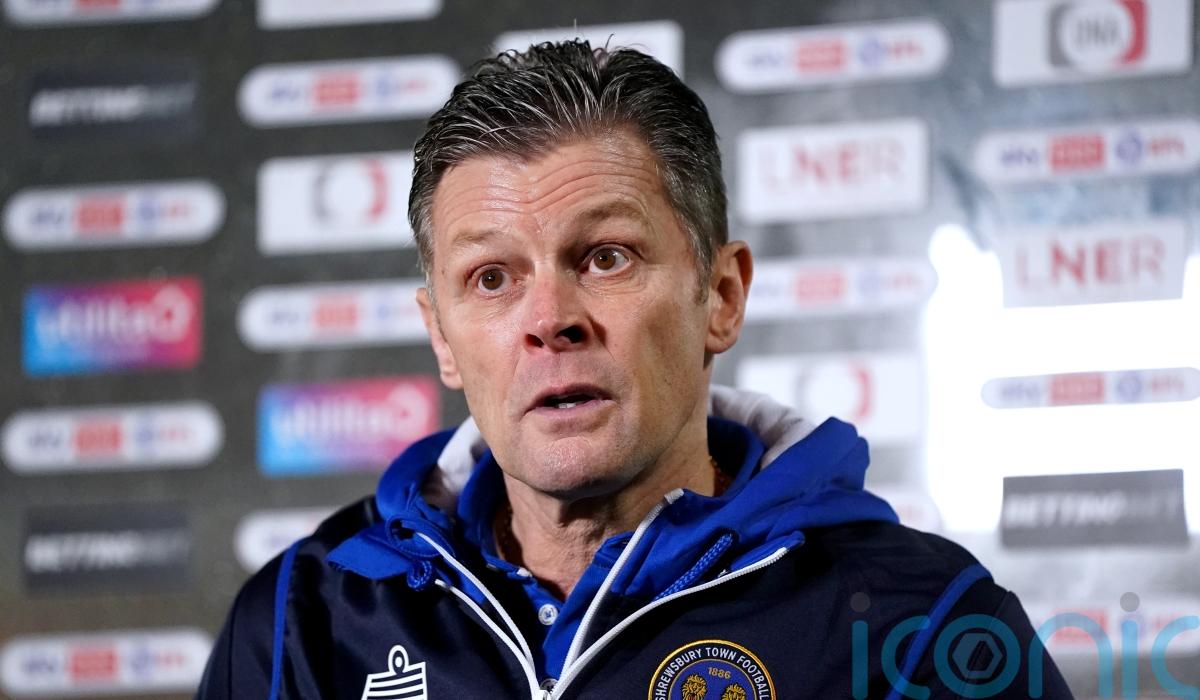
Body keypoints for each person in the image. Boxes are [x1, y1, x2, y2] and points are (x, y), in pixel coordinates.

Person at [197, 41, 1073, 700]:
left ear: (720, 296)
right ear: (442, 338)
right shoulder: (301, 623)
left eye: (606, 257)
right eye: (492, 278)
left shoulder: (926, 627)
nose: (550, 319)